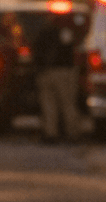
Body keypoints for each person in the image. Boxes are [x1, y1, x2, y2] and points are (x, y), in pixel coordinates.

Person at [32, 13, 84, 143]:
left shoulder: (43, 33)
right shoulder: (65, 32)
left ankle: (51, 133)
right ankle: (72, 133)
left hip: (45, 72)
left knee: (48, 104)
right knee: (67, 103)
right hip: (64, 71)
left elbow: (35, 51)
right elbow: (73, 47)